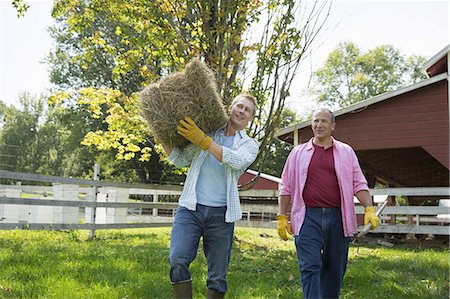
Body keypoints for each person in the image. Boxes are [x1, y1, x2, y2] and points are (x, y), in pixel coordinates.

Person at [162, 93, 259, 299]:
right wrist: (161, 136)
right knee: (177, 259)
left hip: (221, 216)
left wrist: (203, 141)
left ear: (250, 118)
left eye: (247, 110)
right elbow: (180, 159)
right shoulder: (207, 132)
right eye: (239, 106)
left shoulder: (249, 145)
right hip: (190, 209)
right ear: (231, 107)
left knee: (218, 277)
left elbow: (235, 161)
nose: (241, 111)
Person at [276, 108, 380, 299]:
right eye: (316, 121)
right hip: (307, 216)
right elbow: (286, 186)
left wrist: (369, 208)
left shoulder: (346, 152)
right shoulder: (298, 153)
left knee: (335, 269)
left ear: (332, 126)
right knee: (310, 267)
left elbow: (359, 182)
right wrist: (283, 215)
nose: (319, 125)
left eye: (324, 121)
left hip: (338, 217)